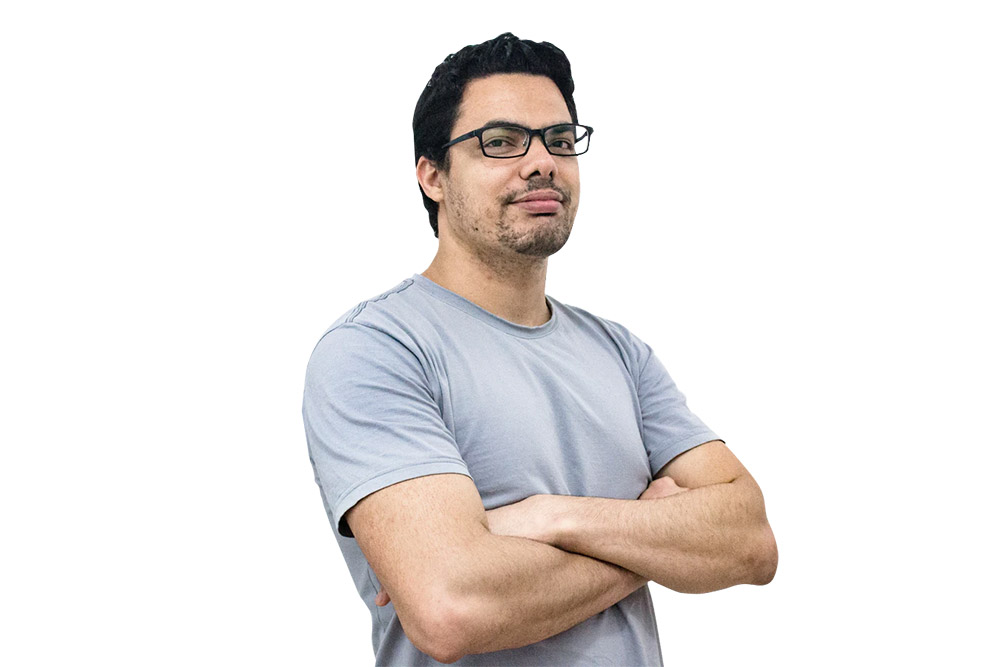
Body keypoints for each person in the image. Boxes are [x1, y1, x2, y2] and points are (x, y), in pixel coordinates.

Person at [302, 33, 777, 665]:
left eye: (559, 139)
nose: (542, 162)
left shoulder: (620, 353)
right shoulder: (377, 351)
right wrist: (649, 539)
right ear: (433, 176)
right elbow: (453, 609)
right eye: (501, 141)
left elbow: (750, 542)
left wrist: (552, 517)